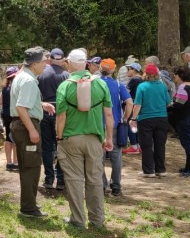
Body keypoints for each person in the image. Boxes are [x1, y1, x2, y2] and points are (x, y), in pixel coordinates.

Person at [55, 50, 113, 228]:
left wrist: (59, 136)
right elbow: (109, 115)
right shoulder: (101, 85)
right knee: (95, 179)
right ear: (86, 63)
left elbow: (61, 117)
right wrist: (108, 138)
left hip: (71, 138)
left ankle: (78, 219)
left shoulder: (64, 86)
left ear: (70, 64)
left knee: (74, 180)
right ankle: (97, 219)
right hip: (94, 139)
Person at [10, 47, 56, 218]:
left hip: (21, 124)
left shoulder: (22, 77)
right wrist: (31, 129)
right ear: (35, 63)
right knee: (32, 167)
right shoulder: (28, 81)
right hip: (26, 125)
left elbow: (22, 102)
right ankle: (29, 208)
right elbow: (21, 107)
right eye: (44, 61)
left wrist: (40, 104)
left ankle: (28, 205)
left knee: (28, 166)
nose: (46, 64)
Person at [129, 64, 171, 178]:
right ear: (157, 74)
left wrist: (133, 118)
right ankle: (160, 169)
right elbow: (169, 102)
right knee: (160, 145)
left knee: (146, 145)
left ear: (146, 74)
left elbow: (137, 105)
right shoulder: (162, 86)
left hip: (146, 119)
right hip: (162, 118)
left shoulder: (142, 87)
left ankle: (148, 170)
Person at [100, 59, 133, 196]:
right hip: (114, 124)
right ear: (113, 70)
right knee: (116, 156)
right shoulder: (119, 85)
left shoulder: (96, 83)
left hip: (98, 125)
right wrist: (125, 118)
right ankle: (116, 186)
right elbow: (129, 103)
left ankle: (101, 185)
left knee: (98, 158)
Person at [37, 47, 69, 190]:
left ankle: (49, 178)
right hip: (61, 112)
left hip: (45, 111)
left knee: (47, 147)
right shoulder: (67, 75)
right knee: (61, 145)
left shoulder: (41, 73)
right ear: (62, 59)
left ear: (50, 58)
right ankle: (61, 180)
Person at [171, 66, 190, 178]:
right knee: (188, 143)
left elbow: (179, 105)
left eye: (176, 75)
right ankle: (189, 167)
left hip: (185, 118)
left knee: (188, 145)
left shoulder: (183, 87)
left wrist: (171, 105)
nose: (175, 76)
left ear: (181, 76)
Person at [1, 66, 19, 171]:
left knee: (8, 138)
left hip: (5, 115)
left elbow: (0, 102)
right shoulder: (15, 87)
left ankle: (8, 162)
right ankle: (16, 162)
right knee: (16, 139)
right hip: (14, 115)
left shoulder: (4, 87)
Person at [123, 62, 143, 154]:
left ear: (134, 70)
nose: (127, 71)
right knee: (136, 125)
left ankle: (134, 146)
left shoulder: (134, 79)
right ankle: (138, 145)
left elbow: (126, 92)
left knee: (129, 123)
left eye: (129, 69)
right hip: (139, 105)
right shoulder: (142, 79)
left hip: (132, 104)